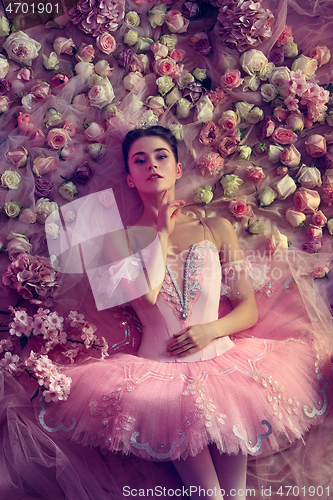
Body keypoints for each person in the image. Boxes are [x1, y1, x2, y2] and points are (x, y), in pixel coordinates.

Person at [34, 126, 332, 500]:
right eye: (139, 160)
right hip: (161, 381)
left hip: (226, 371)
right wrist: (159, 232)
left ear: (177, 168)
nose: (152, 165)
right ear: (129, 176)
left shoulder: (217, 227)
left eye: (161, 157)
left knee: (235, 495)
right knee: (207, 495)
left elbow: (248, 309)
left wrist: (212, 330)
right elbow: (147, 295)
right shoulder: (116, 240)